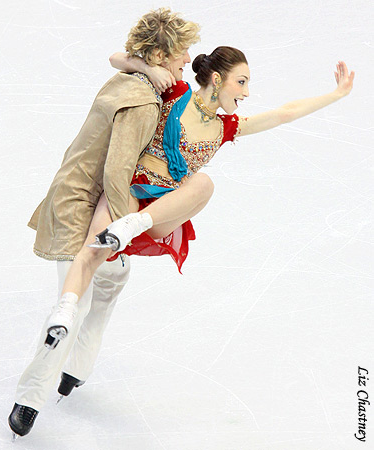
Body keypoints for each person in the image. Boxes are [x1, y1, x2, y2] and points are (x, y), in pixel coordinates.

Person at [45, 46, 355, 350]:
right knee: (93, 248)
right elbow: (116, 58)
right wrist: (150, 69)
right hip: (131, 189)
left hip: (162, 212)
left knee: (203, 183)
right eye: (242, 82)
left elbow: (283, 114)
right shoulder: (176, 93)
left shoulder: (226, 128)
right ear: (218, 80)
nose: (246, 93)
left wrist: (336, 95)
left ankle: (130, 226)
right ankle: (65, 313)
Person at [8, 8, 200, 439]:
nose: (187, 59)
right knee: (78, 297)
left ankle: (74, 369)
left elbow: (119, 57)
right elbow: (117, 174)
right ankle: (30, 399)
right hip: (83, 210)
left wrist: (139, 63)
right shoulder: (143, 101)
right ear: (161, 54)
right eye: (181, 52)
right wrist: (126, 230)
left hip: (70, 197)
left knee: (113, 277)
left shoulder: (126, 80)